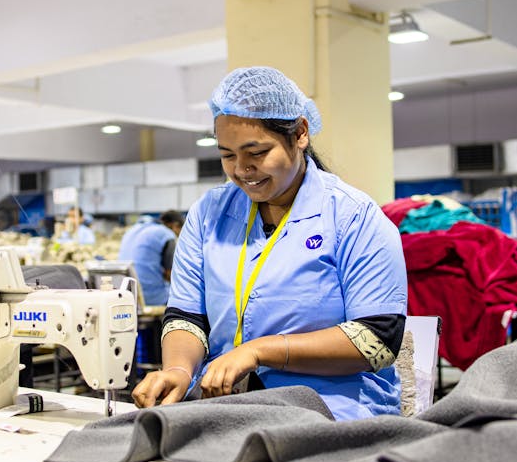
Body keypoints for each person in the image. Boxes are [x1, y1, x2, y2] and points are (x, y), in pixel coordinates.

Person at [131, 66, 408, 421]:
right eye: (228, 155)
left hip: (335, 409)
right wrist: (179, 372)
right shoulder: (208, 215)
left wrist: (260, 351)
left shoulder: (354, 217)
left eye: (257, 152)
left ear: (301, 134)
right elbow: (188, 315)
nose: (242, 169)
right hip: (228, 403)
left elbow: (377, 339)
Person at [118, 210, 185, 307]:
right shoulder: (167, 235)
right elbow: (170, 274)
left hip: (125, 293)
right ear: (175, 225)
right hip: (150, 297)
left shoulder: (133, 229)